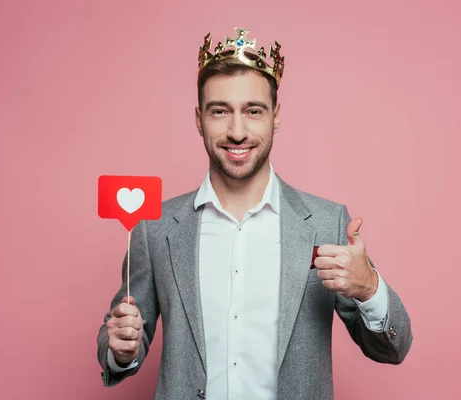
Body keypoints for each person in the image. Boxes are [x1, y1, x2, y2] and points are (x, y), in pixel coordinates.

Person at [97, 27, 412, 400]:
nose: (237, 131)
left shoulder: (327, 223)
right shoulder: (155, 227)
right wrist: (119, 349)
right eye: (220, 111)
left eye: (253, 111)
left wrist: (369, 288)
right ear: (199, 120)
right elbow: (121, 336)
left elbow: (393, 348)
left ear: (275, 116)